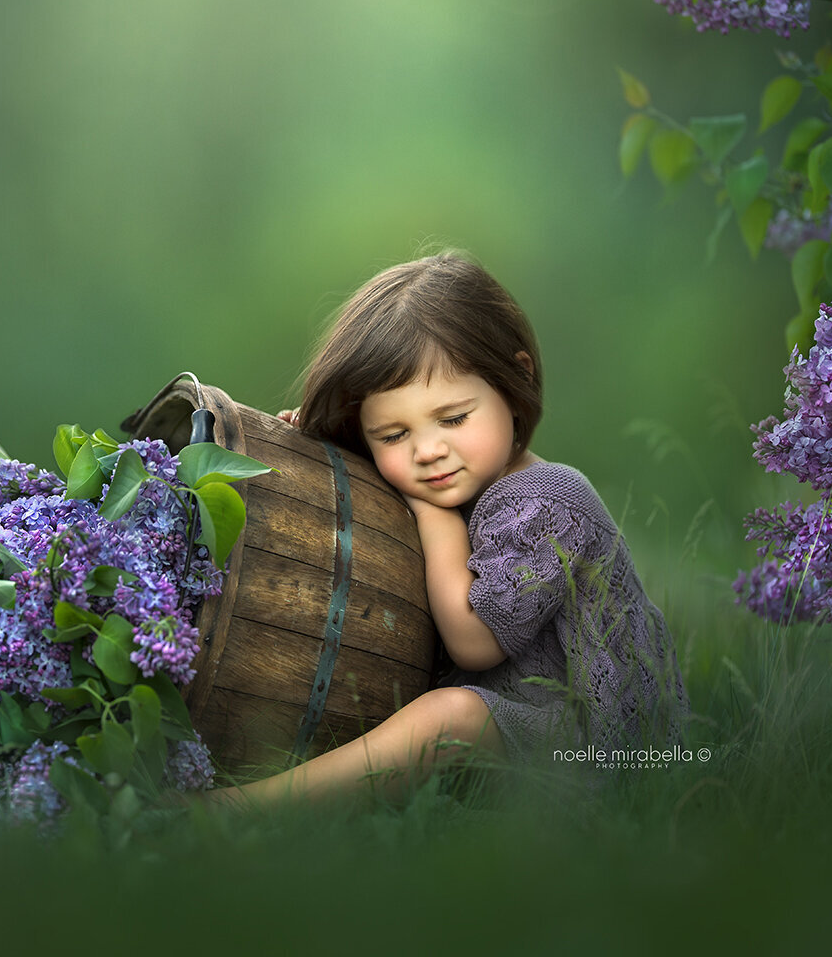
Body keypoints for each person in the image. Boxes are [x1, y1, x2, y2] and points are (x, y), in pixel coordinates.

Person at [206, 252, 688, 808]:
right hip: (526, 730)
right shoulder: (459, 481)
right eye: (391, 435)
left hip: (608, 750)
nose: (428, 451)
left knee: (452, 718)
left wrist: (428, 511)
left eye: (454, 419)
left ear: (517, 379)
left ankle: (241, 812)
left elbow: (474, 641)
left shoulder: (550, 502)